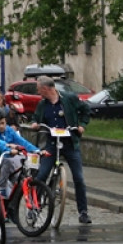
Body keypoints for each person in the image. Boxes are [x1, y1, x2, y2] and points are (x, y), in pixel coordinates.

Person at [30, 75, 92, 224]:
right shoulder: (42, 105)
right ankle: (34, 207)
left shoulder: (69, 99)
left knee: (79, 178)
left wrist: (82, 125)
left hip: (70, 142)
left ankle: (83, 212)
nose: (38, 92)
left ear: (46, 88)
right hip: (52, 143)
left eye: (39, 89)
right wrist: (35, 124)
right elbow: (35, 118)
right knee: (42, 174)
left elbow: (86, 109)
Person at [0, 106, 41, 199]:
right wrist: (9, 150)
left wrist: (36, 150)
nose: (1, 126)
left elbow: (21, 141)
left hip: (12, 158)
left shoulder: (9, 130)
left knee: (31, 162)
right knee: (8, 163)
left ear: (6, 121)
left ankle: (31, 188)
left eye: (3, 123)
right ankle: (2, 188)